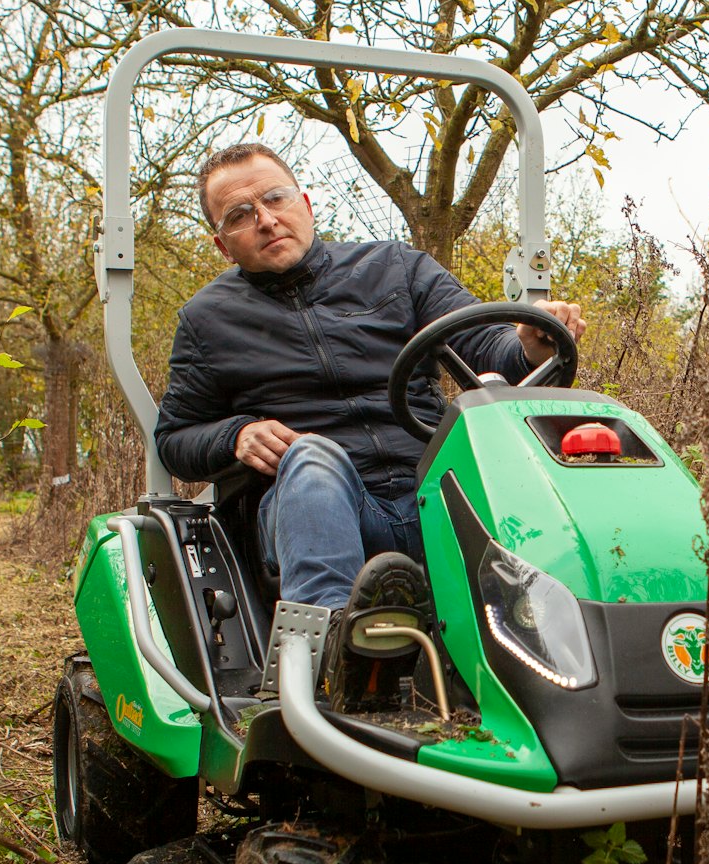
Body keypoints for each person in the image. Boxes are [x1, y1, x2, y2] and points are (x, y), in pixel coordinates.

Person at [153, 142, 586, 619]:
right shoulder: (207, 320)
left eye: (275, 198)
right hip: (319, 506)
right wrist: (235, 435)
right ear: (222, 243)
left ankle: (556, 622)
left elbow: (487, 345)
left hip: (435, 494)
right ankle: (334, 641)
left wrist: (531, 343)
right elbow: (176, 438)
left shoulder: (395, 268)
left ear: (305, 204)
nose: (266, 220)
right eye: (239, 213)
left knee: (506, 437)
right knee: (312, 454)